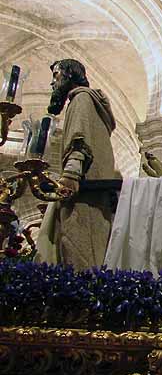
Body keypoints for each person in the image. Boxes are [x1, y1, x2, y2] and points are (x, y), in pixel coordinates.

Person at [35, 59, 117, 270]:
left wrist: (69, 177)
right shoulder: (92, 104)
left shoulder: (81, 99)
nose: (53, 84)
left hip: (83, 195)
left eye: (56, 76)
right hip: (95, 196)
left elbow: (79, 141)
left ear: (70, 75)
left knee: (77, 254)